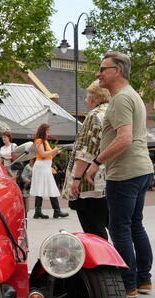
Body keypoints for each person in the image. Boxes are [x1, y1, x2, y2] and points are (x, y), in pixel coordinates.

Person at [85, 51, 154, 298]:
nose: (98, 73)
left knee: (120, 227)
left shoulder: (121, 99)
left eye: (103, 69)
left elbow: (124, 138)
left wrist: (96, 162)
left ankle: (129, 283)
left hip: (125, 172)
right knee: (135, 225)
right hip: (141, 169)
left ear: (118, 71)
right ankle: (144, 279)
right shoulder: (133, 96)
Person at [62, 80, 110, 240]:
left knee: (94, 230)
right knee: (115, 226)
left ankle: (104, 263)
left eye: (87, 95)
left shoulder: (94, 115)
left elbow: (86, 151)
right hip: (109, 179)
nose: (85, 100)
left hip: (90, 182)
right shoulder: (112, 112)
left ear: (94, 98)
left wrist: (76, 178)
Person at [30, 123, 69, 219]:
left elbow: (49, 156)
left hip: (44, 166)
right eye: (47, 131)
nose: (48, 133)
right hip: (41, 167)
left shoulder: (45, 141)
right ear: (43, 131)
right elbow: (43, 154)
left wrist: (56, 152)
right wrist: (54, 150)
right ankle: (56, 211)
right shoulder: (39, 141)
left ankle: (39, 212)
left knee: (44, 188)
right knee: (48, 187)